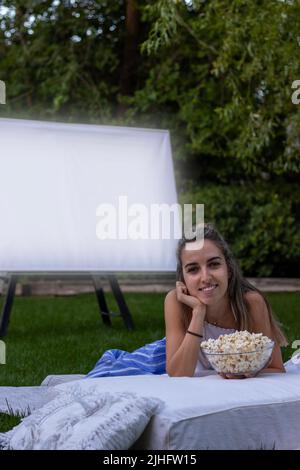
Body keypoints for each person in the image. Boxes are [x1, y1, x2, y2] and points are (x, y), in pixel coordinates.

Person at [164, 223, 288, 378]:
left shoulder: (251, 303)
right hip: (169, 352)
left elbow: (276, 368)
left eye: (214, 264)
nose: (206, 277)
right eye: (193, 269)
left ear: (228, 269)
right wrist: (198, 312)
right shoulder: (175, 302)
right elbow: (177, 373)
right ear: (183, 278)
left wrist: (244, 371)